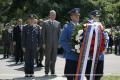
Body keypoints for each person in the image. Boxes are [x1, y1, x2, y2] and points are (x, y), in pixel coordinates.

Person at [83, 10, 106, 80]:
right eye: (95, 17)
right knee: (88, 75)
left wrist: (103, 48)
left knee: (98, 76)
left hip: (99, 56)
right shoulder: (87, 26)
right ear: (91, 17)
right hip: (89, 56)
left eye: (97, 17)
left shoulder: (101, 26)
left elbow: (105, 39)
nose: (96, 18)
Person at [60, 8, 80, 80]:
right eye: (75, 15)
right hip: (70, 56)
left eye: (78, 15)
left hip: (80, 57)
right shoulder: (67, 27)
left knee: (78, 77)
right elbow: (62, 41)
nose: (77, 17)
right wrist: (71, 48)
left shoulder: (81, 26)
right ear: (71, 17)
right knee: (70, 77)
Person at [42, 10, 61, 75]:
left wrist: (59, 43)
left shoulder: (58, 23)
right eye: (52, 14)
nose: (53, 16)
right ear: (49, 15)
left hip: (55, 44)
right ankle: (46, 71)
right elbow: (43, 34)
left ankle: (52, 70)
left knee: (54, 58)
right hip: (47, 44)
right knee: (47, 58)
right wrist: (43, 43)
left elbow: (59, 34)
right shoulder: (45, 23)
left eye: (54, 15)